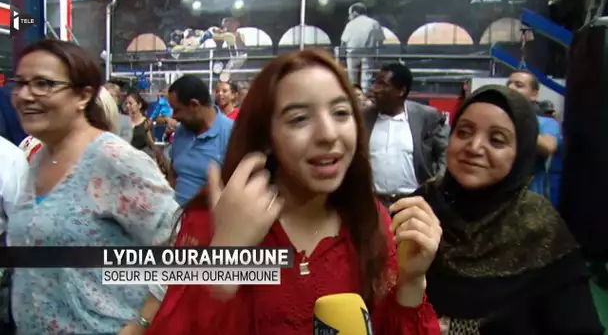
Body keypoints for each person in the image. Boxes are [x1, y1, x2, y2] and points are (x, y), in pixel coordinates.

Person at [120, 48, 442, 335]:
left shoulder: (371, 221)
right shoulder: (215, 219)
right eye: (300, 119)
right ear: (266, 136)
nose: (329, 134)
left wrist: (412, 282)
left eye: (341, 113)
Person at [8, 38, 179, 334]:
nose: (25, 95)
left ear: (83, 95)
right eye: (20, 83)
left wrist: (140, 324)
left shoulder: (114, 160)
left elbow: (184, 243)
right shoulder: (38, 159)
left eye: (43, 84)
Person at [411, 85, 604, 334]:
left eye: (497, 140)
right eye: (464, 132)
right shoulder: (422, 206)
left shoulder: (538, 226)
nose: (474, 147)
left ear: (521, 153)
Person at [365, 63, 449, 208]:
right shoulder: (364, 117)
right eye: (375, 83)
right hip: (373, 205)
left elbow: (445, 151)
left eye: (382, 84)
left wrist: (439, 180)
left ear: (401, 91)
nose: (374, 89)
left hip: (413, 203)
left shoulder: (426, 117)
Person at [158, 75, 233, 205]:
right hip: (175, 217)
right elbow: (173, 174)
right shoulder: (181, 131)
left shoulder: (231, 134)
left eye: (177, 110)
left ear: (194, 105)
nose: (174, 116)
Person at [506, 70, 560, 198]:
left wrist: (518, 122)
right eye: (509, 83)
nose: (511, 87)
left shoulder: (546, 123)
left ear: (534, 95)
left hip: (530, 196)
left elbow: (548, 147)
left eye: (519, 85)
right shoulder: (498, 119)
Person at [341, 2, 384, 89]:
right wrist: (377, 55)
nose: (349, 16)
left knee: (352, 78)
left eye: (350, 14)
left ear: (355, 12)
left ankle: (354, 96)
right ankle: (365, 96)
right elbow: (380, 40)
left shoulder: (350, 24)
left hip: (352, 53)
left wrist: (341, 56)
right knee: (366, 78)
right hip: (368, 53)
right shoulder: (374, 23)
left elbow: (343, 42)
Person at [124, 90, 157, 156]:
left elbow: (152, 146)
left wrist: (147, 131)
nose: (127, 106)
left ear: (139, 105)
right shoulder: (123, 122)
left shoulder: (146, 123)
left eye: (130, 103)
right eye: (126, 104)